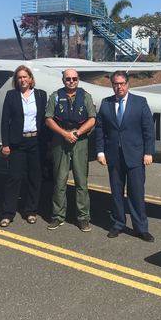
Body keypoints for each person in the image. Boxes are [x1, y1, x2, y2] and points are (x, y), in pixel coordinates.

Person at [95, 70, 155, 242]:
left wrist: (148, 152)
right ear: (112, 85)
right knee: (116, 193)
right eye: (115, 83)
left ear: (128, 84)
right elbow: (100, 129)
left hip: (135, 156)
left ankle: (141, 228)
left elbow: (148, 129)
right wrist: (100, 151)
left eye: (122, 83)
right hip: (113, 156)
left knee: (136, 193)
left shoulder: (140, 102)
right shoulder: (106, 104)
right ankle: (118, 223)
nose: (119, 87)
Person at [45, 68, 96, 232]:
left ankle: (83, 217)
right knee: (60, 181)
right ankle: (57, 216)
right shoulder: (55, 96)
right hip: (60, 141)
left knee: (82, 182)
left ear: (78, 79)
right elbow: (48, 119)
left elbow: (92, 118)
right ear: (63, 80)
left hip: (80, 141)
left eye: (74, 78)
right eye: (68, 79)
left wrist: (77, 132)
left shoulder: (85, 96)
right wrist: (64, 134)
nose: (71, 81)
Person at [0, 65, 47, 228]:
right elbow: (5, 121)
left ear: (31, 79)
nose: (22, 80)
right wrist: (5, 144)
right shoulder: (11, 96)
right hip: (17, 142)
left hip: (36, 141)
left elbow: (45, 119)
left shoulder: (41, 95)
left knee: (35, 177)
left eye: (25, 77)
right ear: (16, 80)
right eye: (19, 77)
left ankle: (31, 210)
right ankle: (8, 213)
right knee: (14, 177)